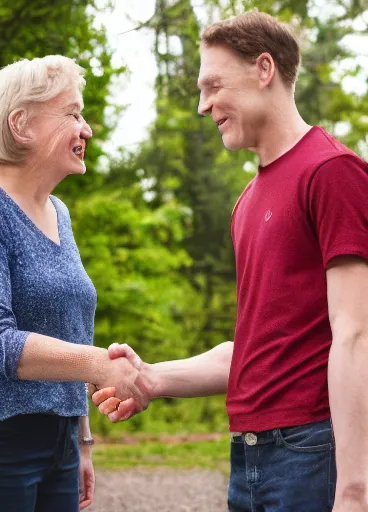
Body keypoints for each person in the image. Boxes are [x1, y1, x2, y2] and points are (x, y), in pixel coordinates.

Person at [92, 11, 368, 512]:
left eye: (213, 85)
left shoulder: (333, 173)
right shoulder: (247, 202)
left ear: (265, 69)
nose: (203, 106)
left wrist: (354, 488)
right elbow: (255, 348)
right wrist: (151, 378)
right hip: (249, 455)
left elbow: (356, 335)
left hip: (311, 451)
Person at [0, 55, 148, 512]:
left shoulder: (59, 213)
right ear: (21, 125)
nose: (85, 128)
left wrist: (82, 440)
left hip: (60, 444)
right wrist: (99, 365)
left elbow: (72, 330)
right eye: (72, 113)